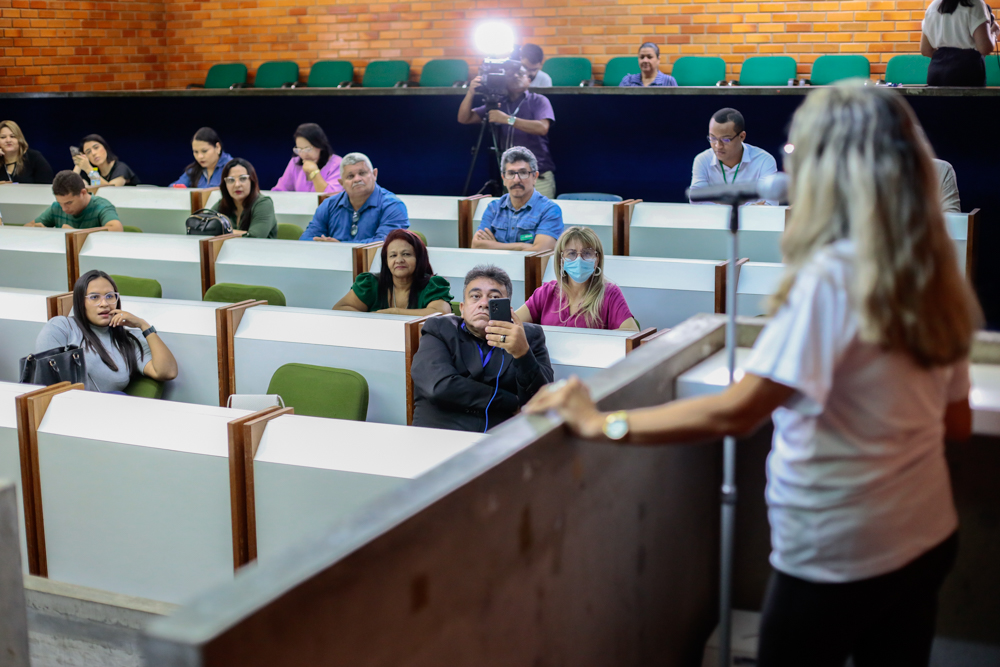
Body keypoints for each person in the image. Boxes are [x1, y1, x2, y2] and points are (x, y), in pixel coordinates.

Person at [527, 83, 981, 667]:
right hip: (925, 535)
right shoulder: (934, 270)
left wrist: (601, 421)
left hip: (835, 550)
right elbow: (957, 423)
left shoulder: (833, 276)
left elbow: (737, 410)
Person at [411, 264, 554, 432]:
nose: (484, 303)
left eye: (494, 297)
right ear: (462, 309)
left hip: (500, 442)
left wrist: (523, 354)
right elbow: (440, 386)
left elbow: (542, 400)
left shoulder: (528, 337)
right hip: (441, 435)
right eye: (476, 296)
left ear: (508, 310)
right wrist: (511, 402)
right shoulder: (439, 329)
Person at [35, 270, 178, 393]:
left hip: (109, 415)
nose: (104, 304)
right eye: (94, 297)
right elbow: (46, 380)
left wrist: (144, 325)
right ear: (80, 302)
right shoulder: (62, 327)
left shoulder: (128, 340)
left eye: (109, 296)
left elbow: (167, 371)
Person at [458, 63, 558, 198]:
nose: (516, 76)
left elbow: (542, 128)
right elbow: (464, 118)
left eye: (521, 74)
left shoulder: (538, 100)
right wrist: (470, 92)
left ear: (529, 80)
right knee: (514, 218)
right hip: (511, 175)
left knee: (541, 217)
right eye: (511, 74)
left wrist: (508, 119)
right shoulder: (499, 104)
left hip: (537, 175)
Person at [516, 226, 638, 331]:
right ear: (560, 260)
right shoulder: (547, 292)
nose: (579, 260)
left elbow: (631, 332)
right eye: (571, 253)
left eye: (587, 253)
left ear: (597, 259)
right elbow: (513, 323)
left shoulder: (610, 293)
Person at [333, 229, 453, 316]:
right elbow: (340, 309)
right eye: (393, 255)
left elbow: (440, 314)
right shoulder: (370, 283)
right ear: (386, 261)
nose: (399, 260)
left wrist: (392, 313)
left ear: (419, 258)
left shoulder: (433, 285)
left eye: (406, 254)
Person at [299, 152, 408, 243]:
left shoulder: (393, 205)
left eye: (362, 173)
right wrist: (321, 244)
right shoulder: (328, 205)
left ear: (374, 174)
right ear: (341, 183)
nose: (357, 179)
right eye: (350, 176)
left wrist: (339, 246)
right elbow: (305, 239)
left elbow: (385, 244)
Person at [472, 146, 563, 252]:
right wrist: (521, 246)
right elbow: (476, 245)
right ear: (503, 179)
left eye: (523, 173)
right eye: (510, 173)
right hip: (494, 268)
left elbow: (540, 252)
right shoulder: (494, 208)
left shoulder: (549, 210)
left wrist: (495, 245)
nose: (516, 180)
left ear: (535, 177)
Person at [690, 107, 778, 206]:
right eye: (712, 138)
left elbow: (770, 205)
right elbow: (696, 201)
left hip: (753, 222)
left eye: (726, 139)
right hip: (712, 221)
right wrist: (748, 207)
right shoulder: (702, 160)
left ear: (742, 137)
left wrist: (717, 203)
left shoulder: (764, 161)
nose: (718, 146)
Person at [921, 0, 998, 86]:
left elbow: (925, 50)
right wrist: (994, 32)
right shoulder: (975, 4)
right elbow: (985, 48)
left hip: (937, 72)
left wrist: (946, 57)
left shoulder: (933, 6)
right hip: (967, 72)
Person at [24, 170, 123, 231]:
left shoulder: (102, 206)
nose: (64, 209)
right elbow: (27, 226)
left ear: (83, 193)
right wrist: (37, 230)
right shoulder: (57, 207)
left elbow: (116, 229)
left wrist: (76, 233)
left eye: (69, 203)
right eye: (60, 203)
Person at [210, 158, 277, 239]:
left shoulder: (264, 203)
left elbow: (255, 237)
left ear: (252, 181)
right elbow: (204, 229)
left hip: (260, 251)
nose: (237, 184)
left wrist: (221, 232)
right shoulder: (222, 205)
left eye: (243, 179)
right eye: (231, 180)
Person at [272, 123, 344, 194]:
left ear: (320, 145)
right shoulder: (295, 162)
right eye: (299, 149)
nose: (303, 154)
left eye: (307, 149)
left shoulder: (337, 164)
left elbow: (330, 198)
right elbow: (279, 190)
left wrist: (314, 172)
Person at [72, 134, 139, 187]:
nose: (93, 153)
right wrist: (78, 164)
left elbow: (110, 192)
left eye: (96, 148)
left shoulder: (121, 168)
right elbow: (73, 187)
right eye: (88, 152)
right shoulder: (93, 171)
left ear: (105, 147)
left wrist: (89, 169)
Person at [0, 120, 54, 184]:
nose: (8, 140)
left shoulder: (34, 158)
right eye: (3, 137)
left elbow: (47, 187)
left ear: (19, 139)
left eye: (13, 136)